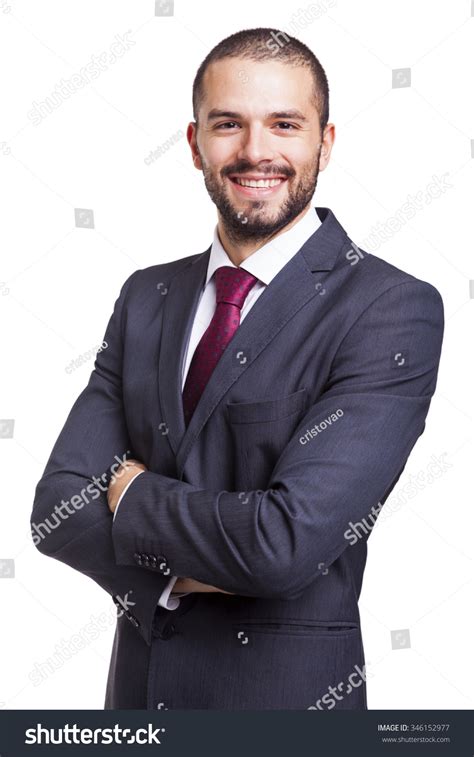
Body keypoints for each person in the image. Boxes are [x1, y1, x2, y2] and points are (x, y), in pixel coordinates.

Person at [31, 27, 444, 710]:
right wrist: (199, 564)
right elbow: (57, 510)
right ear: (195, 144)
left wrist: (131, 496)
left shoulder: (389, 308)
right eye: (229, 124)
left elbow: (284, 544)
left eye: (285, 124)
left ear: (325, 142)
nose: (257, 151)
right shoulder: (145, 297)